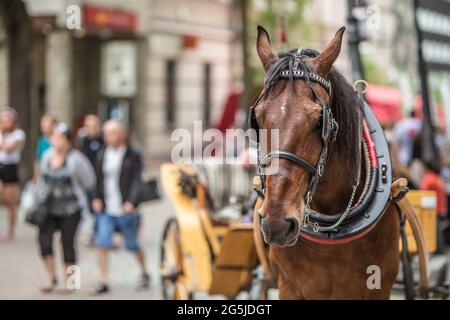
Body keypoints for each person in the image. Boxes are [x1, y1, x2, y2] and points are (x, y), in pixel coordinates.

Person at [91, 120, 149, 295]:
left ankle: (144, 272)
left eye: (111, 133)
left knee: (132, 244)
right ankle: (103, 280)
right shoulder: (103, 153)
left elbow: (137, 180)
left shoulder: (133, 154)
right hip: (106, 208)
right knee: (103, 242)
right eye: (106, 133)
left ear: (122, 134)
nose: (107, 136)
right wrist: (96, 198)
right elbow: (97, 178)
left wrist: (131, 201)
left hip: (125, 208)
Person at [38, 123, 95, 293]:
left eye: (60, 138)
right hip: (48, 208)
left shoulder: (76, 159)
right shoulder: (47, 156)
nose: (56, 141)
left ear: (68, 140)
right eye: (54, 138)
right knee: (44, 242)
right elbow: (42, 179)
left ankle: (71, 283)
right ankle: (51, 277)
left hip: (71, 209)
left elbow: (89, 181)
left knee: (68, 244)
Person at [77, 115, 104, 245]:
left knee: (99, 206)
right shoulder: (83, 141)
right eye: (88, 126)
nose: (91, 129)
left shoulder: (103, 141)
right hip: (86, 180)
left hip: (100, 180)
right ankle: (91, 232)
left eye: (93, 126)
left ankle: (99, 232)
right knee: (87, 206)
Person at [0, 107, 26, 239]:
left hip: (10, 167)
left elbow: (8, 149)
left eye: (7, 120)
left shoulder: (19, 134)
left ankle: (11, 229)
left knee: (10, 201)